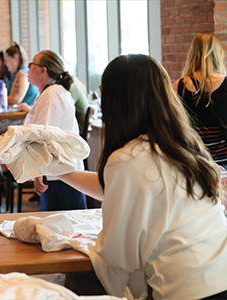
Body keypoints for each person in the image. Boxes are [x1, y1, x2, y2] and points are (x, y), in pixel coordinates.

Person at [57, 54, 227, 299]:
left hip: (187, 289)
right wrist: (62, 172)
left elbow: (119, 257)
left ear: (117, 100)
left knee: (78, 280)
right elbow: (111, 187)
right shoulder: (184, 147)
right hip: (218, 274)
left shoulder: (129, 158)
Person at [17, 50, 86, 211]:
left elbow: (45, 137)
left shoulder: (52, 95)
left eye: (31, 64)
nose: (28, 68)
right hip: (59, 172)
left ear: (43, 70)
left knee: (60, 231)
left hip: (58, 175)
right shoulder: (52, 92)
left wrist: (38, 173)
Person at [173, 31, 227, 169]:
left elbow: (175, 126)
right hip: (224, 162)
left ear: (193, 53)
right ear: (218, 53)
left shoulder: (179, 86)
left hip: (194, 162)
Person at [0, 42, 40, 141]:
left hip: (21, 119)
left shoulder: (21, 74)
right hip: (18, 117)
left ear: (15, 58)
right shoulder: (19, 73)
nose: (5, 63)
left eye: (7, 60)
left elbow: (15, 99)